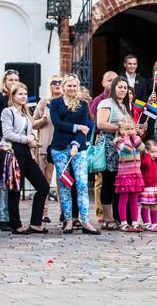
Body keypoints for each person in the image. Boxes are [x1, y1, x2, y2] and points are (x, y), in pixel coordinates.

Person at [49, 75, 99, 235]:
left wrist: (76, 144)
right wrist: (77, 127)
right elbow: (58, 124)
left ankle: (85, 220)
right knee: (64, 185)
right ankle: (69, 220)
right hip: (59, 147)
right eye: (69, 85)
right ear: (63, 86)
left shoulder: (83, 104)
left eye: (74, 86)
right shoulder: (55, 103)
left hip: (79, 148)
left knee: (82, 185)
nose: (71, 88)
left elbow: (85, 127)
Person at [1, 83, 49, 235]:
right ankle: (16, 224)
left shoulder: (26, 114)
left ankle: (35, 223)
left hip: (27, 152)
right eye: (20, 94)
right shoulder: (8, 112)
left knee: (43, 186)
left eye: (25, 94)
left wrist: (33, 140)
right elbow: (7, 134)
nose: (23, 97)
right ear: (13, 96)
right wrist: (26, 139)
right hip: (14, 150)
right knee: (15, 188)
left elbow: (31, 132)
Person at [96, 75, 133, 229]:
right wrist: (120, 128)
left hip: (121, 148)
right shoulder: (106, 103)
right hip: (109, 146)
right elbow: (101, 123)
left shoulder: (124, 106)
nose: (123, 90)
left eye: (125, 87)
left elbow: (126, 126)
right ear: (113, 88)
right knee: (108, 182)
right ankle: (107, 218)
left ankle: (119, 217)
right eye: (120, 87)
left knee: (119, 183)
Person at [0, 69, 19, 232]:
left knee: (11, 180)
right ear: (4, 82)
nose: (13, 82)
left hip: (16, 143)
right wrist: (8, 127)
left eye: (16, 79)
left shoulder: (20, 98)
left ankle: (9, 216)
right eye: (10, 79)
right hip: (2, 142)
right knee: (0, 180)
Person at [32, 74, 63, 224]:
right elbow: (33, 123)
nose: (57, 85)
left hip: (62, 144)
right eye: (54, 82)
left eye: (60, 82)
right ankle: (44, 212)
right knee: (46, 179)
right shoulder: (44, 102)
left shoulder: (66, 101)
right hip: (46, 144)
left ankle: (64, 211)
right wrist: (43, 119)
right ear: (50, 85)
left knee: (62, 180)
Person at [89, 70, 118, 223]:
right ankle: (103, 214)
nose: (112, 83)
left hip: (119, 145)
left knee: (115, 181)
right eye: (109, 80)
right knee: (103, 180)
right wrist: (119, 127)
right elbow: (96, 123)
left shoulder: (120, 100)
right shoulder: (99, 101)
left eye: (115, 80)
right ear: (103, 83)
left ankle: (116, 214)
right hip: (104, 143)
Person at [113, 118, 145, 232]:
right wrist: (126, 138)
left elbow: (142, 148)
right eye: (127, 129)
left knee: (134, 198)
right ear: (121, 130)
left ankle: (135, 222)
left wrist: (135, 137)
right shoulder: (118, 141)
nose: (130, 131)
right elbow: (126, 149)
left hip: (136, 173)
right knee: (124, 198)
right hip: (124, 174)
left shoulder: (136, 140)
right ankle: (123, 222)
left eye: (132, 128)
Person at [140, 139, 157, 232]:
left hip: (156, 187)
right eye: (152, 152)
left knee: (154, 206)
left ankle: (154, 223)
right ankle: (147, 223)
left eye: (156, 151)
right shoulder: (144, 159)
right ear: (147, 151)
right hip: (147, 187)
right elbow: (146, 165)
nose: (154, 154)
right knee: (145, 205)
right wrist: (146, 154)